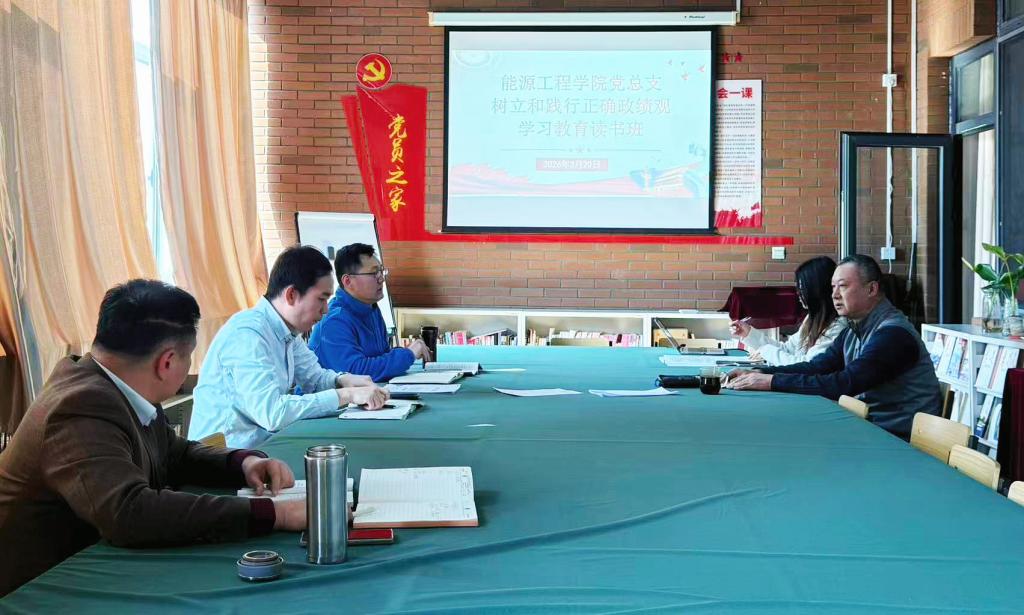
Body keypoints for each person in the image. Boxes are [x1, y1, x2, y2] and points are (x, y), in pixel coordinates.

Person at [0, 280, 306, 596]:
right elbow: (130, 512)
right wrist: (274, 514)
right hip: (32, 590)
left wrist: (242, 463)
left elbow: (172, 453)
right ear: (167, 362)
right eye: (189, 358)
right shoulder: (79, 406)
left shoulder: (119, 384)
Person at [190, 246, 389, 448]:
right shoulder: (248, 334)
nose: (325, 310)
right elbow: (272, 413)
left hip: (260, 447)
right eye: (321, 299)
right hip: (223, 456)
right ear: (292, 295)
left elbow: (315, 379)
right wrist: (346, 394)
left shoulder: (287, 332)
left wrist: (342, 380)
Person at [724, 254, 941, 438]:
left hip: (898, 441)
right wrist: (760, 373)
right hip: (871, 430)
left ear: (872, 289)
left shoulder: (893, 334)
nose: (835, 295)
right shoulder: (854, 328)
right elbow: (817, 367)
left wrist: (771, 381)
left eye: (843, 286)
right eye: (832, 287)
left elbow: (845, 383)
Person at [309, 243, 431, 381]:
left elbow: (381, 356)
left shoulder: (370, 307)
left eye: (381, 271)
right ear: (348, 281)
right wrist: (408, 354)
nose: (381, 278)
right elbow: (355, 373)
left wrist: (405, 352)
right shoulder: (334, 320)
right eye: (374, 273)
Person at [730, 256, 847, 366]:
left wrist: (765, 351)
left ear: (817, 290)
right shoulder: (812, 318)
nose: (798, 294)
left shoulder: (837, 327)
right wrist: (748, 333)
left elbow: (807, 366)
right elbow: (788, 349)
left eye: (802, 288)